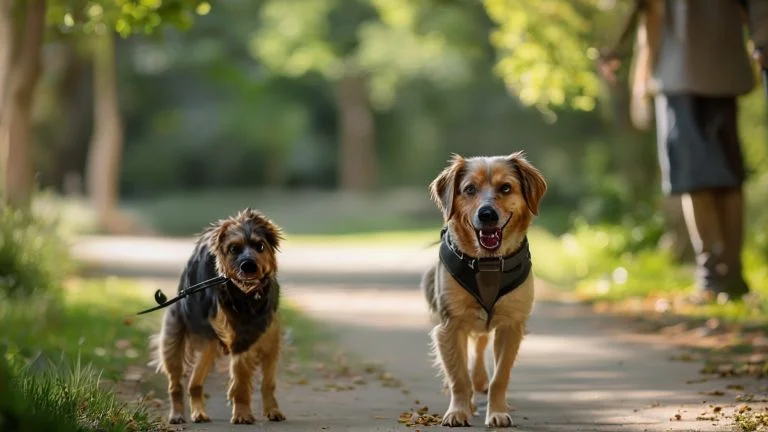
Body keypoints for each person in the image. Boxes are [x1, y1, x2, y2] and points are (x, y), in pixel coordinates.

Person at [601, 0, 768, 302]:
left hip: (678, 64)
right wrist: (761, 37)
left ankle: (712, 278)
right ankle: (732, 277)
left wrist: (613, 48)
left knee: (693, 175)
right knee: (728, 172)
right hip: (725, 62)